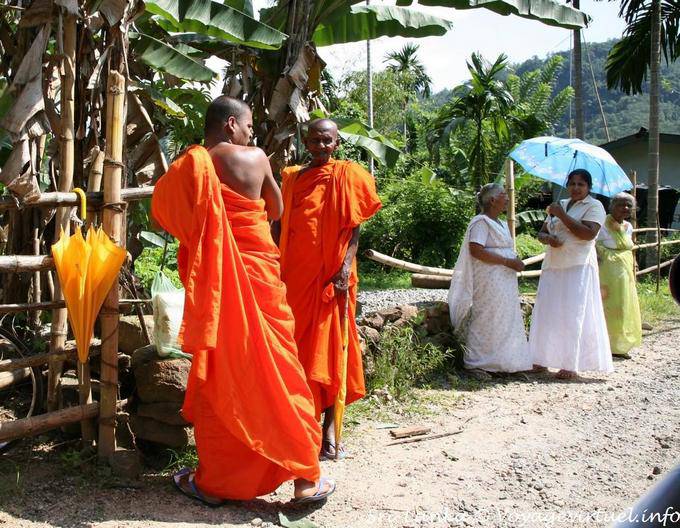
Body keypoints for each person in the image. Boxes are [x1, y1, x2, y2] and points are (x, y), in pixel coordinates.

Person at [151, 96, 334, 505]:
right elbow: (276, 207)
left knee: (224, 373)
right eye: (249, 125)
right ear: (231, 123)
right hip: (260, 277)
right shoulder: (256, 158)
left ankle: (216, 482)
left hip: (221, 290)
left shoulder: (191, 164)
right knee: (281, 371)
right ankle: (305, 477)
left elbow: (163, 211)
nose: (252, 133)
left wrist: (214, 235)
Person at [275, 118, 382, 460]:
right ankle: (299, 428)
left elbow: (354, 229)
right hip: (295, 279)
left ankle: (329, 431)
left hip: (333, 278)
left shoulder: (347, 175)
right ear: (306, 142)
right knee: (299, 353)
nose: (322, 146)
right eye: (316, 141)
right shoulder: (291, 179)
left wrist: (345, 268)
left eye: (328, 141)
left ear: (337, 143)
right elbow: (278, 225)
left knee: (333, 351)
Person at [529, 169, 614, 379]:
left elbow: (588, 234)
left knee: (573, 314)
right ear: (567, 185)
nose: (576, 188)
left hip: (578, 266)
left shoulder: (594, 206)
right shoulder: (560, 204)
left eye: (581, 184)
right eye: (573, 183)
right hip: (553, 264)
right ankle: (540, 358)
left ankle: (570, 363)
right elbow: (542, 232)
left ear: (588, 188)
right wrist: (548, 238)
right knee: (548, 312)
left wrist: (562, 216)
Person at [447, 183, 532, 375]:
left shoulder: (501, 223)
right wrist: (506, 261)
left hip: (504, 280)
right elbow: (476, 249)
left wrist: (513, 261)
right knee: (487, 316)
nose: (508, 198)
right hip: (489, 279)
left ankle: (504, 361)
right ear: (493, 200)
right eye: (504, 195)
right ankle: (480, 361)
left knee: (504, 317)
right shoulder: (480, 222)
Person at [596, 192, 642, 359]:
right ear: (612, 206)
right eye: (621, 204)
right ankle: (604, 345)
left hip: (624, 273)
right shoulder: (602, 223)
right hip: (606, 274)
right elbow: (593, 244)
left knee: (623, 306)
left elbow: (627, 249)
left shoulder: (628, 227)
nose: (625, 208)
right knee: (607, 306)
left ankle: (619, 346)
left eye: (629, 205)